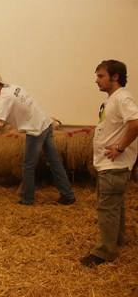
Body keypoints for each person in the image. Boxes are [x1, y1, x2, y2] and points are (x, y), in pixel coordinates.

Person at [0, 73, 75, 205]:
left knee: (28, 166)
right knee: (55, 162)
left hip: (35, 130)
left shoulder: (5, 98)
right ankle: (68, 195)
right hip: (45, 123)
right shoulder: (14, 87)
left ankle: (28, 199)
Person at [80, 60, 138, 267]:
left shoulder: (122, 98)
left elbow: (136, 123)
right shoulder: (112, 100)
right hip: (108, 164)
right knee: (115, 205)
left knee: (107, 208)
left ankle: (105, 251)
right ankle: (116, 240)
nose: (96, 80)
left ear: (115, 77)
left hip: (115, 165)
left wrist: (120, 147)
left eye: (101, 76)